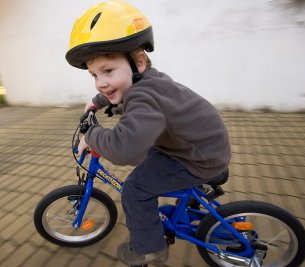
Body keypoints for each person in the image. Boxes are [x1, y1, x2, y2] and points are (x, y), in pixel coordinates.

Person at [65, 1, 231, 265]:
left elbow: (124, 149)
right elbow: (121, 88)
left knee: (135, 189)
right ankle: (189, 200)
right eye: (94, 75)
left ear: (138, 62)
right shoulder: (150, 79)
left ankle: (148, 250)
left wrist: (92, 135)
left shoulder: (143, 98)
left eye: (108, 71)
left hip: (197, 157)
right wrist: (98, 101)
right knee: (149, 151)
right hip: (202, 145)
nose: (101, 82)